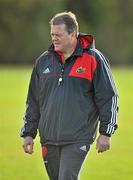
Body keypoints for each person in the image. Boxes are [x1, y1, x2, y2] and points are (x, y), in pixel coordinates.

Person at [20, 11, 118, 180]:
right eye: (52, 34)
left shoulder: (93, 59)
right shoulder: (43, 61)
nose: (54, 38)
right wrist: (29, 132)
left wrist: (106, 132)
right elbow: (33, 101)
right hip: (49, 139)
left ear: (73, 34)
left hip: (78, 138)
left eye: (58, 34)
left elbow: (108, 96)